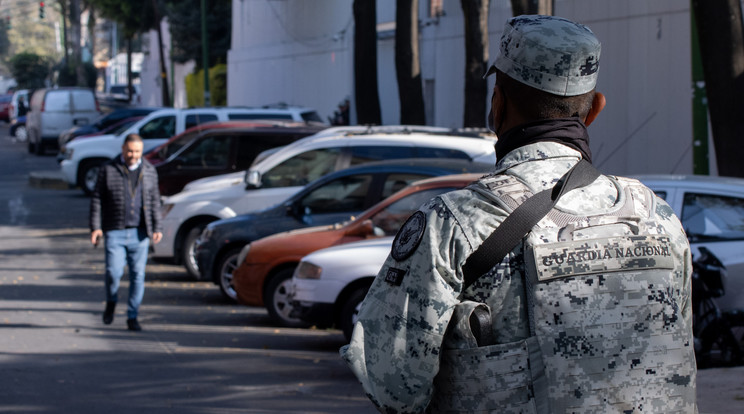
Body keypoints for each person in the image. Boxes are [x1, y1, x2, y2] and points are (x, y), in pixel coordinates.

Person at [341, 15, 697, 413]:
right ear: (594, 109)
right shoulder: (655, 215)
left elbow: (393, 383)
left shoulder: (454, 223)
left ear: (497, 106)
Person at [90, 134, 163, 331]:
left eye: (137, 152)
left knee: (138, 275)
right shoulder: (108, 169)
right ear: (123, 149)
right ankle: (111, 301)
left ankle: (132, 316)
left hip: (140, 232)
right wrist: (96, 227)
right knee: (113, 273)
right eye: (130, 151)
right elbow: (97, 199)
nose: (133, 155)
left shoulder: (149, 170)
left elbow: (155, 200)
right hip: (115, 231)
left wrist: (157, 227)